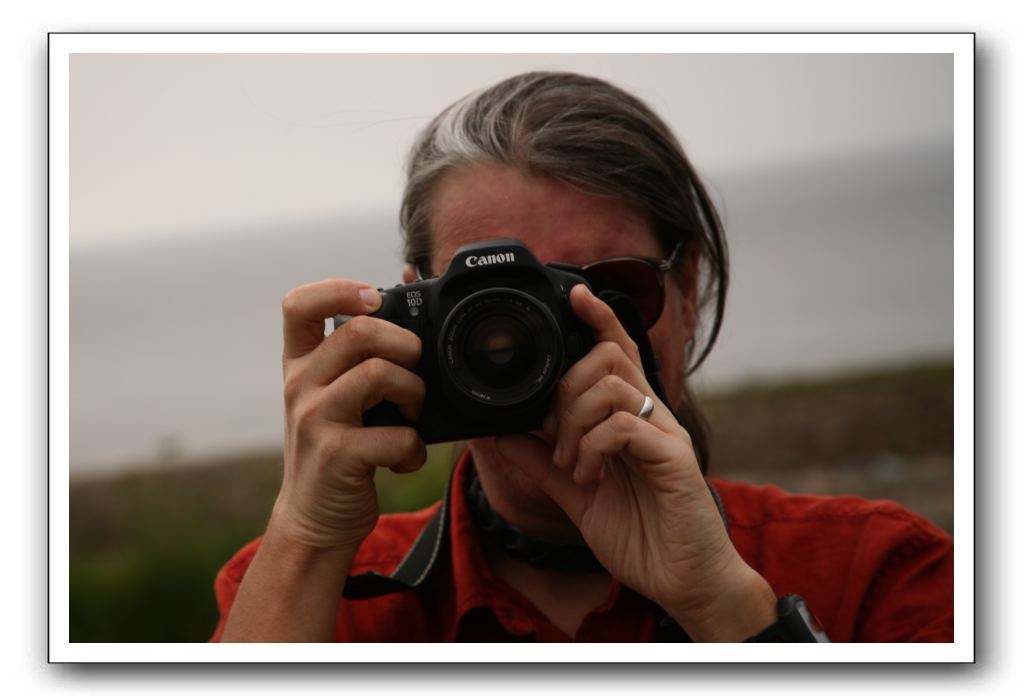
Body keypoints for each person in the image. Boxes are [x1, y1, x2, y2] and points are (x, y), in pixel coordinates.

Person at [210, 71, 953, 643]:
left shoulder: (875, 571)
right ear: (417, 315)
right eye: (493, 309)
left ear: (687, 290)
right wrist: (308, 537)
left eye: (609, 291)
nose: (545, 339)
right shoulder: (304, 594)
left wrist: (725, 606)